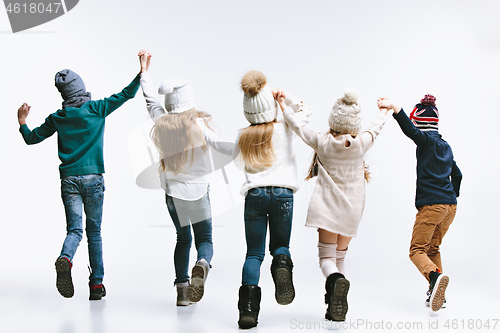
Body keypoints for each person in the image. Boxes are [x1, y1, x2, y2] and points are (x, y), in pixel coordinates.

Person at [17, 65, 141, 300]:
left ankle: (65, 258)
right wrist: (141, 72)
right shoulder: (96, 109)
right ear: (81, 88)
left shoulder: (58, 118)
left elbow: (32, 138)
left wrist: (23, 122)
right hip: (93, 179)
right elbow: (127, 93)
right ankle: (96, 286)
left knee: (74, 230)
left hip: (69, 180)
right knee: (94, 233)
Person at [280, 88, 388, 321]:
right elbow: (376, 128)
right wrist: (384, 111)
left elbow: (298, 127)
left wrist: (283, 105)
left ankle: (336, 281)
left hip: (326, 210)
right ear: (355, 126)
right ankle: (335, 307)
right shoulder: (361, 143)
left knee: (327, 261)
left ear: (333, 121)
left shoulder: (322, 142)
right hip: (352, 212)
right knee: (339, 259)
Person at [137, 50, 233, 306]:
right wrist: (247, 148)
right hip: (198, 193)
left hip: (173, 194)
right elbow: (223, 146)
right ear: (189, 101)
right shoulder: (199, 125)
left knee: (183, 238)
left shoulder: (162, 121)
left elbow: (149, 99)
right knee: (205, 240)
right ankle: (202, 264)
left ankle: (182, 291)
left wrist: (144, 71)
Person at [235, 70, 311, 329]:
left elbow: (224, 151)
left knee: (254, 254)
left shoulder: (243, 137)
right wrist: (284, 98)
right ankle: (281, 264)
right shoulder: (286, 127)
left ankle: (247, 311)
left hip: (254, 195)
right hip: (283, 194)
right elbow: (306, 111)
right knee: (280, 245)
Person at [377, 95, 462, 311]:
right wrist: (452, 196)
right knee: (433, 249)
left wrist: (396, 108)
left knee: (416, 250)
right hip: (450, 208)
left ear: (420, 124)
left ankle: (435, 278)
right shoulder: (446, 146)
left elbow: (409, 131)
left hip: (432, 206)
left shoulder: (426, 141)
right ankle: (438, 295)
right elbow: (458, 174)